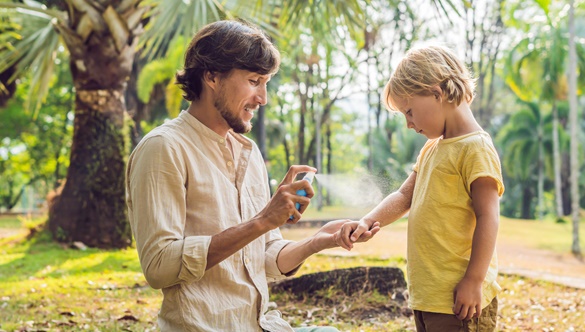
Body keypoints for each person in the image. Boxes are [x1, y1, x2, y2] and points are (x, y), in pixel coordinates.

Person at [125, 19, 379, 332]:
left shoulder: (248, 152)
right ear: (212, 76)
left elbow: (267, 260)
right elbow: (159, 267)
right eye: (254, 81)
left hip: (263, 325)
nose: (263, 98)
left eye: (266, 83)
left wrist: (319, 241)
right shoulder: (164, 148)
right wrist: (261, 221)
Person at [340, 45, 505, 332]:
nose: (408, 124)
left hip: (460, 300)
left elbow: (488, 216)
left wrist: (474, 280)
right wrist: (368, 220)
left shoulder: (475, 148)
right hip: (429, 296)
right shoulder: (432, 148)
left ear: (437, 94)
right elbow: (405, 196)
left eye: (409, 112)